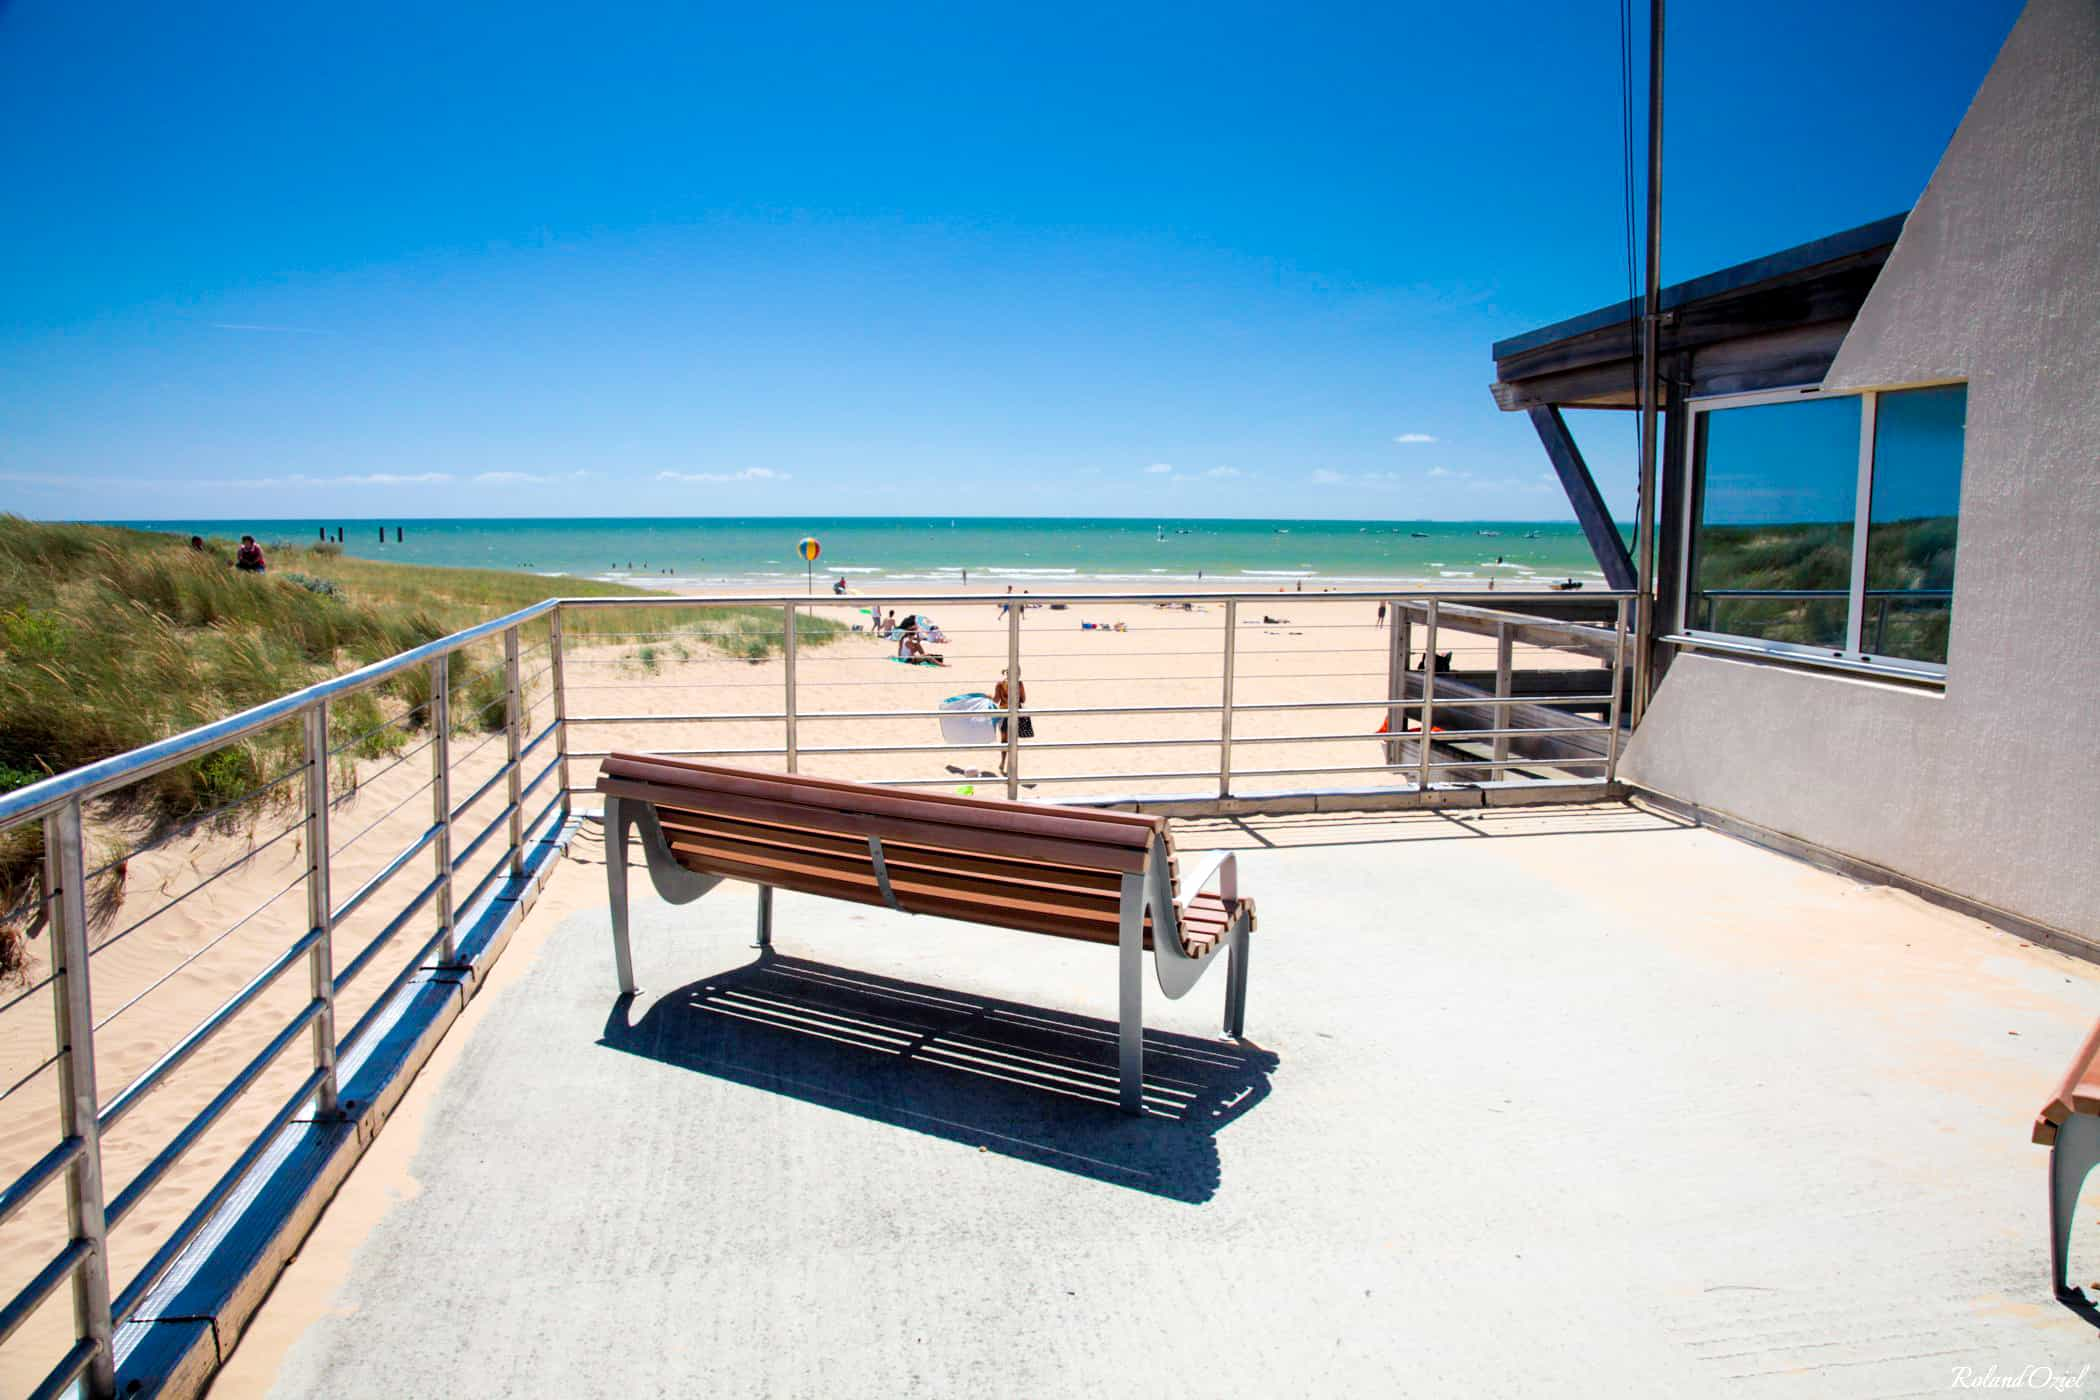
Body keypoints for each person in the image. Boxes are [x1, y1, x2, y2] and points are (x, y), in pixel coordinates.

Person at [992, 669, 1030, 776]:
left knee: (1004, 740)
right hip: (1015, 714)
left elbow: (995, 700)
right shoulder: (1019, 684)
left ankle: (1003, 762)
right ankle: (1010, 765)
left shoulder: (1000, 684)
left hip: (1004, 714)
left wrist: (987, 696)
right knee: (1013, 741)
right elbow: (1023, 700)